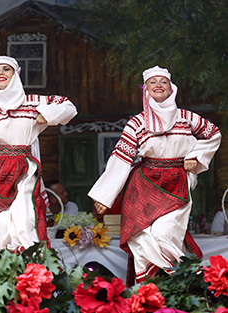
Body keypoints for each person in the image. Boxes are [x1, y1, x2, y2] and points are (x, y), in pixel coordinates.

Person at [88, 65, 221, 283]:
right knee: (140, 237)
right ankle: (147, 293)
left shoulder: (187, 118)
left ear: (171, 88)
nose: (158, 86)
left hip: (176, 183)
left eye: (163, 82)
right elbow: (121, 157)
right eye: (153, 82)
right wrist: (105, 196)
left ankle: (188, 280)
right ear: (146, 89)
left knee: (165, 234)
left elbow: (213, 134)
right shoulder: (137, 123)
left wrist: (196, 156)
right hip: (143, 184)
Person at [0, 55, 77, 265]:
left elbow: (68, 106)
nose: (1, 73)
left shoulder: (32, 102)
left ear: (15, 74)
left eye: (6, 69)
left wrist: (48, 113)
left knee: (24, 221)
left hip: (23, 169)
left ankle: (32, 275)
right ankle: (0, 272)